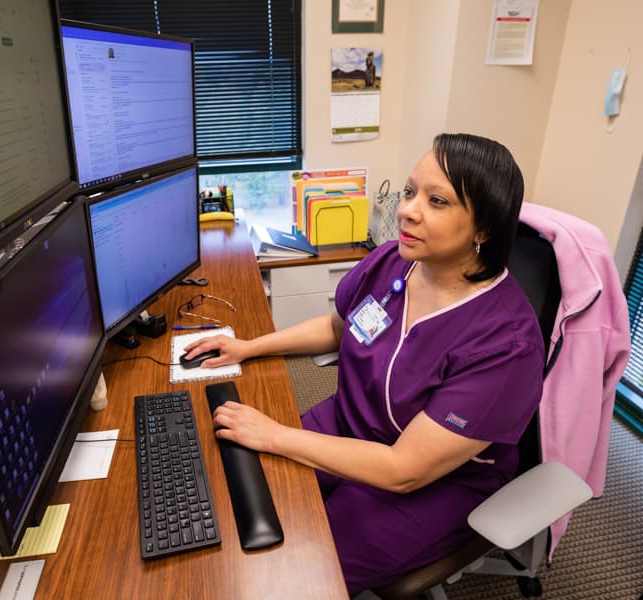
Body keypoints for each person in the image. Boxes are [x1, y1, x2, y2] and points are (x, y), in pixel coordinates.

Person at [183, 133, 544, 594]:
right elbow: (337, 328)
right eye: (411, 192)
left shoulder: (506, 344)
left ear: (484, 229)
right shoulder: (393, 261)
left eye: (437, 201)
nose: (407, 210)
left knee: (298, 572)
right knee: (248, 502)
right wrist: (249, 346)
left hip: (433, 483)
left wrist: (276, 434)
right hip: (348, 422)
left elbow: (403, 469)